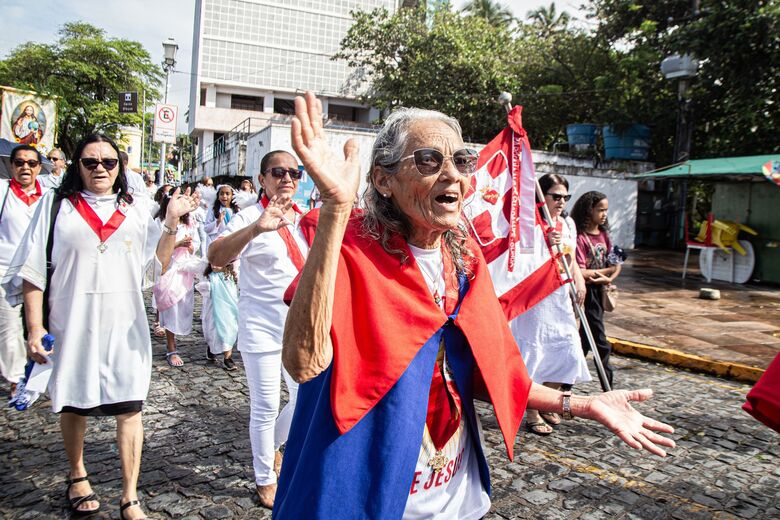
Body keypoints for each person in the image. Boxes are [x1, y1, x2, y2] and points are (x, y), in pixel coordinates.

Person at [276, 92, 675, 518]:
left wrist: (582, 404)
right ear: (383, 180)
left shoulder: (464, 260)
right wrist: (336, 208)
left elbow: (490, 375)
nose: (452, 174)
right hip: (367, 488)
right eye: (428, 160)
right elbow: (303, 363)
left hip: (456, 496)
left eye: (462, 161)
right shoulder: (349, 247)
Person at [6, 133, 196, 519]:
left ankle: (130, 496)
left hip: (124, 323)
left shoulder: (137, 208)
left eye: (108, 162)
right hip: (71, 321)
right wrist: (33, 327)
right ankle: (77, 473)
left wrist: (171, 222)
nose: (100, 169)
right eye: (90, 162)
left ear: (119, 167)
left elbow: (153, 266)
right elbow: (31, 272)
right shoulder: (56, 206)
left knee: (130, 405)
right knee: (74, 402)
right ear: (78, 166)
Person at [208, 150, 305, 509]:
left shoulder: (304, 220)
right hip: (261, 326)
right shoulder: (248, 215)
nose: (287, 179)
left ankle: (275, 448)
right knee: (265, 406)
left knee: (303, 400)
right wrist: (255, 228)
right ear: (262, 178)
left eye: (294, 172)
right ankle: (265, 477)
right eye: (277, 172)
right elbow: (216, 257)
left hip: (299, 326)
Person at [509, 173, 590, 436]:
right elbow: (520, 262)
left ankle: (547, 401)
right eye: (556, 196)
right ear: (542, 197)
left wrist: (579, 282)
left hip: (560, 297)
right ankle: (532, 409)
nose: (562, 202)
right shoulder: (529, 224)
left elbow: (572, 258)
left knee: (568, 352)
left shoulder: (567, 224)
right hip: (536, 297)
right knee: (536, 352)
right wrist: (544, 242)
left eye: (566, 197)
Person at [0, 145, 48, 396]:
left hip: (40, 272)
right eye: (19, 162)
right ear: (11, 166)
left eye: (31, 163)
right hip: (5, 270)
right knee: (9, 329)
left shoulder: (49, 195)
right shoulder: (2, 193)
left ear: (39, 167)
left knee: (41, 323)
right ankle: (15, 379)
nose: (25, 167)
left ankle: (42, 372)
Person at [572, 190, 622, 389]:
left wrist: (609, 275)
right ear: (589, 210)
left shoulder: (604, 235)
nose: (604, 214)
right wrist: (607, 272)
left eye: (606, 210)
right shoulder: (580, 238)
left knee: (585, 342)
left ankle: (565, 385)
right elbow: (582, 271)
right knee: (600, 342)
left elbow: (616, 264)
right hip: (588, 293)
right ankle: (608, 389)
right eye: (600, 210)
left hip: (600, 291)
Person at [154, 193, 202, 368]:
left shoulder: (190, 224)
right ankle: (171, 347)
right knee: (170, 308)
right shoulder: (161, 224)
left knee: (181, 308)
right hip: (168, 269)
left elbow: (195, 245)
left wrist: (189, 246)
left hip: (184, 272)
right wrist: (177, 243)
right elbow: (157, 249)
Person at [196, 262, 239, 370]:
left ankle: (227, 358)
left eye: (218, 264)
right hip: (212, 310)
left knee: (228, 331)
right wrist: (209, 286)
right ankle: (211, 348)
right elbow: (203, 289)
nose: (214, 266)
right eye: (212, 264)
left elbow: (235, 291)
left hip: (228, 310)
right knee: (212, 332)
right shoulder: (209, 277)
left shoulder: (231, 276)